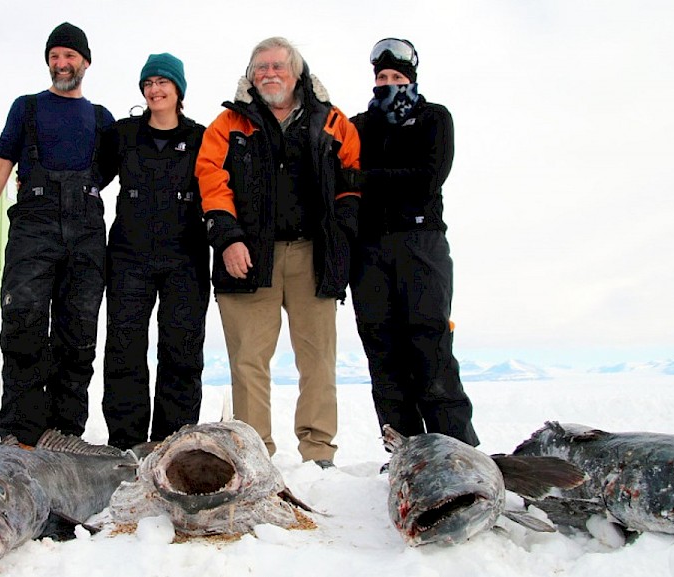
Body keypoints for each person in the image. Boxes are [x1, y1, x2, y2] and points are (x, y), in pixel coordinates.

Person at [195, 37, 361, 468]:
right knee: (248, 359)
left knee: (318, 358)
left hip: (313, 255)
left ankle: (319, 451)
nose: (268, 74)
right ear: (250, 77)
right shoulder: (227, 125)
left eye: (277, 66)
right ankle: (253, 454)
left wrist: (341, 242)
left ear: (297, 73)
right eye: (260, 68)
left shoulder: (333, 122)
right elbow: (211, 181)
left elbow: (350, 187)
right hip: (248, 256)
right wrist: (228, 238)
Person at [0, 22, 115, 446]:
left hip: (85, 233)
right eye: (54, 56)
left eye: (69, 56)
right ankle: (18, 434)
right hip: (34, 226)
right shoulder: (27, 108)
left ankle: (66, 435)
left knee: (78, 334)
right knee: (23, 324)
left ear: (85, 62)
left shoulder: (102, 120)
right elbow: (1, 161)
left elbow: (110, 170)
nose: (61, 63)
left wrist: (77, 192)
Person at [348, 37, 479, 446]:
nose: (389, 83)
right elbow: (340, 177)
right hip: (369, 250)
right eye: (383, 77)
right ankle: (403, 447)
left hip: (421, 243)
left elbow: (428, 178)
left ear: (412, 78)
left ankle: (457, 447)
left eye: (398, 77)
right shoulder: (358, 126)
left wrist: (365, 181)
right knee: (381, 348)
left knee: (429, 341)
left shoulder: (434, 119)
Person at [97, 53, 209, 450]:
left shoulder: (201, 137)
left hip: (186, 256)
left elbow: (222, 187)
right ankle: (125, 444)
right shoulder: (123, 134)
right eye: (148, 84)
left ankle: (172, 443)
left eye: (163, 82)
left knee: (181, 349)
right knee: (124, 348)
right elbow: (91, 175)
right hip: (129, 254)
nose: (155, 90)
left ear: (179, 90)